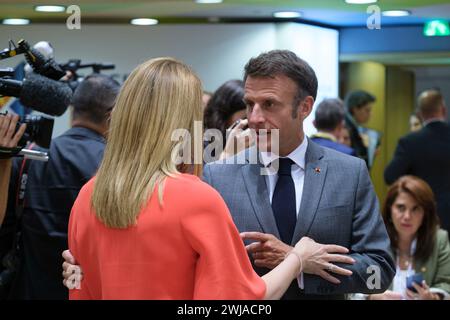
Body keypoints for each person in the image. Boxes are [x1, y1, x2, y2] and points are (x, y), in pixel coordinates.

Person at [63, 57, 354, 300]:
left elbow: (79, 287)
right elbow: (241, 300)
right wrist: (298, 258)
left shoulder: (88, 197)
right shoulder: (194, 198)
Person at [202, 50, 395, 299]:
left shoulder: (349, 173)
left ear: (304, 107)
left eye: (269, 104)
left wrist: (298, 263)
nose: (255, 118)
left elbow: (379, 270)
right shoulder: (220, 177)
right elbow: (207, 268)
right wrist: (297, 260)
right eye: (250, 104)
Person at [0, 74, 120, 300]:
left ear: (72, 108)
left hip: (29, 290)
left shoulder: (26, 159)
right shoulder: (117, 167)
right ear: (113, 115)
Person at [368, 176, 450, 300]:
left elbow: (446, 284)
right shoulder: (374, 240)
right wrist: (371, 297)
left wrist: (433, 297)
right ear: (390, 210)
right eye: (401, 208)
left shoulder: (439, 240)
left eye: (415, 209)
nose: (407, 216)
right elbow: (358, 287)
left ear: (425, 213)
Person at [384, 89, 450, 233]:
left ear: (420, 114)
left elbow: (390, 176)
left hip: (424, 215)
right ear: (443, 110)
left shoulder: (410, 142)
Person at [203, 79, 253, 161]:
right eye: (245, 119)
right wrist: (229, 154)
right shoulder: (199, 145)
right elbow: (209, 173)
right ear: (225, 114)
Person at [344, 90, 381, 169]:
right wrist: (367, 150)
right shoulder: (346, 128)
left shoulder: (352, 126)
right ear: (355, 109)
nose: (370, 114)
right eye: (367, 110)